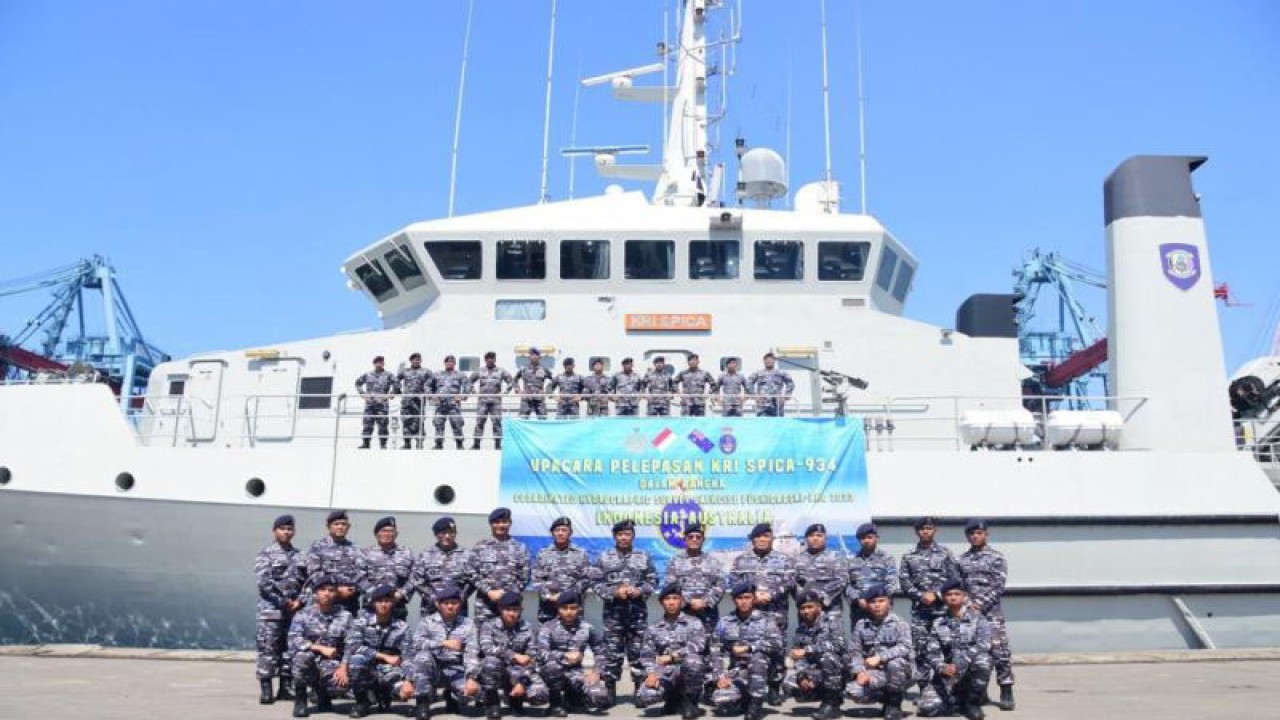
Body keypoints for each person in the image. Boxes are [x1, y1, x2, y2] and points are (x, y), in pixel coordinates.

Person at [591, 518, 659, 701]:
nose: (623, 538)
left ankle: (640, 689)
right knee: (612, 653)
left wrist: (639, 590)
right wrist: (613, 592)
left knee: (637, 652)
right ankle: (610, 689)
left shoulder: (643, 556)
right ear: (614, 536)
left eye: (627, 534)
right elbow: (595, 583)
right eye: (620, 534)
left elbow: (653, 580)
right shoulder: (604, 557)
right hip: (613, 614)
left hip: (637, 613)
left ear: (633, 536)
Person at [728, 523, 795, 705]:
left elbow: (790, 582)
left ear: (772, 538)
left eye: (766, 536)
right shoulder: (741, 560)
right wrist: (752, 598)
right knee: (747, 649)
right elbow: (733, 583)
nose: (762, 540)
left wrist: (772, 594)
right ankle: (746, 687)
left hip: (776, 613)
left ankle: (774, 688)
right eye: (758, 537)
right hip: (749, 615)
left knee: (777, 650)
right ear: (752, 540)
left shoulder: (784, 560)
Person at [957, 519, 1015, 711]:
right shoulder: (962, 560)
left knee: (1000, 653)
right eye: (971, 533)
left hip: (991, 613)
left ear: (986, 535)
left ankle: (1006, 691)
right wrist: (966, 606)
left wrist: (979, 604)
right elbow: (959, 587)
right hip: (970, 614)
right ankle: (979, 692)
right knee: (973, 653)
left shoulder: (997, 557)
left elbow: (999, 585)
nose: (975, 536)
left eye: (979, 533)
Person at [900, 517, 959, 691]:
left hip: (943, 611)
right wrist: (920, 596)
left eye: (928, 528)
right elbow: (904, 582)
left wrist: (938, 595)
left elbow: (954, 578)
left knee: (948, 647)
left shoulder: (945, 553)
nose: (925, 531)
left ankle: (949, 688)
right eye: (921, 529)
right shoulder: (909, 555)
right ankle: (924, 689)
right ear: (916, 532)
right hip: (920, 612)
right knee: (921, 650)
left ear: (935, 530)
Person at [917, 580, 992, 720]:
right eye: (949, 594)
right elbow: (931, 651)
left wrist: (963, 660)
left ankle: (973, 703)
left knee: (984, 660)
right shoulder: (938, 623)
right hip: (948, 673)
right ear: (944, 598)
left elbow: (984, 644)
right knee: (927, 709)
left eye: (957, 594)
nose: (953, 597)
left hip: (969, 669)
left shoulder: (978, 619)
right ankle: (956, 700)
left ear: (965, 597)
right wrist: (941, 666)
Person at [403, 585, 481, 718]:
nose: (450, 607)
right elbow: (416, 645)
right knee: (422, 656)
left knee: (477, 695)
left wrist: (472, 678)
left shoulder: (468, 624)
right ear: (438, 604)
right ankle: (423, 701)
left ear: (460, 605)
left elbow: (472, 652)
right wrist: (442, 643)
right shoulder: (427, 622)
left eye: (454, 603)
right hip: (434, 669)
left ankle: (453, 697)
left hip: (456, 669)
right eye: (446, 603)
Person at [634, 585, 708, 719]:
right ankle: (672, 700)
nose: (671, 602)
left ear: (682, 601)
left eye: (675, 598)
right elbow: (647, 656)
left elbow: (698, 645)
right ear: (661, 602)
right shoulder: (653, 628)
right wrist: (651, 673)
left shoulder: (694, 623)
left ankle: (691, 702)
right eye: (667, 599)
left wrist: (672, 656)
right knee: (645, 695)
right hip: (665, 671)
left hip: (687, 667)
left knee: (694, 661)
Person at [710, 582, 781, 720]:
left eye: (747, 597)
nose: (744, 601)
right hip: (739, 671)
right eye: (740, 598)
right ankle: (744, 699)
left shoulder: (767, 620)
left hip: (764, 670)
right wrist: (719, 676)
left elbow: (777, 644)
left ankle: (756, 706)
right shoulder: (725, 622)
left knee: (757, 658)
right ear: (734, 600)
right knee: (721, 700)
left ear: (754, 598)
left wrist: (750, 647)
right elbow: (715, 649)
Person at [534, 590, 612, 716]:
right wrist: (563, 655)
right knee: (552, 667)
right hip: (550, 673)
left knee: (600, 696)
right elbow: (540, 653)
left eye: (573, 608)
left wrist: (596, 671)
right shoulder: (547, 628)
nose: (569, 612)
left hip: (575, 672)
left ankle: (573, 700)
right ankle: (555, 704)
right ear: (558, 608)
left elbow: (601, 651)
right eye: (564, 608)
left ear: (579, 609)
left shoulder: (587, 628)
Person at [288, 575, 354, 718]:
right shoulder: (302, 615)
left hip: (332, 663)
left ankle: (324, 696)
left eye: (331, 590)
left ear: (336, 594)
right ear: (315, 593)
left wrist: (343, 667)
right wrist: (319, 648)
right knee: (301, 656)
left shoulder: (345, 616)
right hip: (310, 661)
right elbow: (294, 640)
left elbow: (351, 644)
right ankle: (301, 700)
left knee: (342, 686)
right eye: (322, 590)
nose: (326, 593)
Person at [256, 514, 305, 704]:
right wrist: (285, 601)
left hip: (294, 610)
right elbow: (264, 583)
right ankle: (266, 688)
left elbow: (308, 582)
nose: (286, 532)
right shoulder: (265, 554)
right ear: (274, 530)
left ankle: (286, 687)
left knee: (290, 648)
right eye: (282, 528)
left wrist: (300, 601)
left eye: (289, 529)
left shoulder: (300, 555)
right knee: (268, 648)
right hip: (271, 610)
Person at [845, 585, 914, 720]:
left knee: (895, 663)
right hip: (875, 672)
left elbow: (905, 646)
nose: (877, 605)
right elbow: (855, 652)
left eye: (881, 601)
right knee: (853, 691)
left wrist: (881, 657)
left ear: (889, 603)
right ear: (867, 605)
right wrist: (859, 672)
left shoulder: (900, 623)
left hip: (900, 672)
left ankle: (894, 704)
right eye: (872, 602)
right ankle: (885, 698)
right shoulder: (861, 625)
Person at [477, 591, 549, 718]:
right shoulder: (488, 625)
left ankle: (516, 701)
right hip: (496, 669)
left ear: (521, 610)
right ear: (500, 609)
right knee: (490, 662)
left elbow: (532, 657)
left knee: (540, 696)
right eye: (507, 609)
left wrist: (523, 681)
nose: (512, 613)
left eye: (515, 610)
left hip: (517, 671)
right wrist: (513, 655)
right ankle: (492, 702)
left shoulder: (528, 627)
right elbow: (486, 648)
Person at [345, 584, 412, 718]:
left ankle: (385, 696)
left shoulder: (402, 627)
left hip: (391, 670)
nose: (383, 605)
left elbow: (408, 655)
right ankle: (361, 702)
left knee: (406, 693)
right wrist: (382, 656)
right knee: (356, 660)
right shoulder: (361, 623)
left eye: (387, 601)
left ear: (393, 603)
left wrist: (409, 680)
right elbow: (353, 646)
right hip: (368, 668)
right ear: (373, 603)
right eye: (379, 601)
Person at [783, 591, 847, 720]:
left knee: (828, 657)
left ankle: (831, 704)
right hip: (817, 671)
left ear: (819, 606)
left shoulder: (832, 623)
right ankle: (827, 696)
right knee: (789, 685)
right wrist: (803, 676)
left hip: (838, 671)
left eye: (810, 607)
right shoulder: (801, 629)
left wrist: (808, 650)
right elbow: (799, 657)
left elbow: (839, 646)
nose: (806, 611)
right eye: (802, 608)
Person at [469, 507, 532, 626]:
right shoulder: (480, 547)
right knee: (483, 638)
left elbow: (525, 575)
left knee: (511, 639)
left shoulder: (520, 548)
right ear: (491, 524)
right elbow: (471, 572)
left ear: (510, 523)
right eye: (497, 522)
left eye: (504, 522)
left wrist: (507, 593)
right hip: (485, 605)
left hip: (511, 606)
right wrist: (488, 591)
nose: (501, 525)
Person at [663, 522, 725, 634]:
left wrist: (705, 601)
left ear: (703, 540)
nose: (694, 539)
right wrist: (689, 601)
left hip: (708, 615)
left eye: (698, 537)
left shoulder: (713, 562)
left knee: (708, 647)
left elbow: (720, 585)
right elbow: (670, 586)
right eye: (690, 537)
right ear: (685, 539)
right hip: (683, 614)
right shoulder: (675, 562)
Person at [409, 516, 473, 617]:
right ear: (436, 534)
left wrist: (460, 597)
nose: (447, 536)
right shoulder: (426, 554)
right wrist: (433, 597)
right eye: (443, 533)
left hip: (458, 610)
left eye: (451, 533)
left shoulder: (467, 555)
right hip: (431, 609)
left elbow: (473, 580)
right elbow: (416, 579)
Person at [531, 516, 591, 624]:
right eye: (557, 530)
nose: (560, 533)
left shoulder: (581, 553)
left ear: (570, 532)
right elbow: (536, 580)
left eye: (564, 530)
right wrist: (549, 596)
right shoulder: (543, 553)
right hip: (548, 610)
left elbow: (586, 579)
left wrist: (566, 596)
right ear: (553, 533)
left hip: (572, 609)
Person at [358, 516, 414, 620]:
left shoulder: (406, 553)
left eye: (391, 531)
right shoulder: (365, 553)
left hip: (397, 607)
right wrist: (377, 595)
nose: (387, 534)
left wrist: (402, 593)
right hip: (371, 608)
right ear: (376, 534)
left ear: (396, 534)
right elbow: (359, 577)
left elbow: (414, 577)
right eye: (383, 531)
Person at [792, 523, 848, 627]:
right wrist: (804, 598)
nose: (815, 538)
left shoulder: (835, 557)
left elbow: (841, 580)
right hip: (807, 612)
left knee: (833, 641)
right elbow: (793, 582)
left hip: (830, 611)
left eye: (819, 535)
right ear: (806, 538)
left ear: (825, 538)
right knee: (806, 640)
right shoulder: (797, 559)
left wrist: (820, 597)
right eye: (811, 536)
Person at [306, 510, 363, 614]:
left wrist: (351, 589)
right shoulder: (318, 547)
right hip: (323, 603)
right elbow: (314, 573)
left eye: (343, 524)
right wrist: (336, 590)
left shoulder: (355, 549)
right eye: (336, 524)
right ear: (328, 526)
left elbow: (362, 574)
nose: (340, 527)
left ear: (348, 527)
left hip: (348, 604)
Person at [847, 523, 900, 629]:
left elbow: (892, 582)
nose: (866, 541)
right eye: (862, 538)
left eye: (869, 537)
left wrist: (877, 601)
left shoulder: (886, 558)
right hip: (859, 610)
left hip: (881, 610)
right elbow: (847, 585)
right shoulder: (852, 560)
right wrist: (858, 599)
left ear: (876, 538)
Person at [471, 351, 514, 449]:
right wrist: (474, 391)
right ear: (485, 359)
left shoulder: (501, 371)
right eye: (488, 358)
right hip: (482, 402)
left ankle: (498, 445)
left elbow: (511, 382)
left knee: (497, 422)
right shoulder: (479, 370)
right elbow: (469, 382)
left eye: (492, 357)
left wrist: (505, 392)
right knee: (480, 422)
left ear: (495, 359)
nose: (490, 359)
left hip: (496, 402)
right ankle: (476, 444)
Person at [355, 356, 397, 449]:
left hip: (382, 405)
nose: (379, 364)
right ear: (374, 363)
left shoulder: (389, 375)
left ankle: (383, 444)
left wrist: (391, 394)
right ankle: (366, 443)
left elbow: (397, 384)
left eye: (381, 362)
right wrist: (362, 393)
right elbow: (357, 383)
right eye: (377, 362)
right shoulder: (368, 374)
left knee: (383, 425)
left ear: (383, 364)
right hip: (370, 404)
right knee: (367, 424)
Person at [432, 355, 470, 450]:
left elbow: (468, 386)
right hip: (440, 404)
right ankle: (438, 444)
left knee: (457, 423)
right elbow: (428, 385)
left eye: (452, 361)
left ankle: (459, 444)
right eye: (448, 361)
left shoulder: (460, 374)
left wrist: (463, 396)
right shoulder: (437, 374)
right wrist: (432, 396)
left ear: (454, 363)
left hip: (454, 405)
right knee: (438, 423)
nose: (450, 363)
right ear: (445, 363)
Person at [397, 353, 434, 449]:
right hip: (407, 402)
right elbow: (396, 380)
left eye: (418, 359)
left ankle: (419, 443)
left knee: (419, 421)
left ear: (421, 360)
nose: (416, 361)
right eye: (414, 360)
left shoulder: (426, 372)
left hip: (419, 402)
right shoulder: (405, 371)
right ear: (411, 361)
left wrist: (430, 395)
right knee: (406, 421)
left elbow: (433, 382)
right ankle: (407, 443)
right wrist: (397, 390)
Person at [747, 353, 794, 417]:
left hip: (777, 404)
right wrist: (755, 396)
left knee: (778, 424)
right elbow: (748, 383)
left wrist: (785, 396)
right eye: (767, 360)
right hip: (762, 405)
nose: (769, 362)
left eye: (771, 360)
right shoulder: (758, 373)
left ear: (774, 361)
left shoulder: (781, 373)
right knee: (762, 423)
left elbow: (790, 383)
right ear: (764, 361)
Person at [515, 348, 552, 418]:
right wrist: (518, 390)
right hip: (526, 399)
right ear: (529, 357)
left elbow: (553, 381)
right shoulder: (523, 369)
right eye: (532, 355)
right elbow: (514, 380)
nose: (534, 356)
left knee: (543, 420)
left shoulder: (544, 369)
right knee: (522, 419)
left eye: (536, 355)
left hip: (539, 399)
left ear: (539, 357)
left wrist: (547, 391)